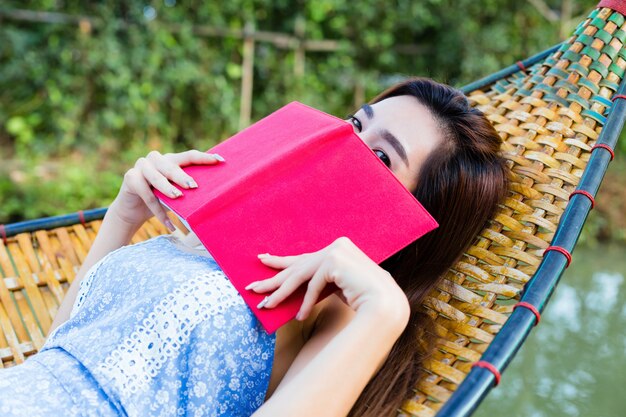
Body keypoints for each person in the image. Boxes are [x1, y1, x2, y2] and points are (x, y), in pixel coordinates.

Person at [0, 77, 508, 417]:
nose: (347, 148)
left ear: (414, 218)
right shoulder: (222, 234)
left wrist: (386, 309)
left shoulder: (342, 309)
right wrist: (124, 214)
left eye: (379, 156)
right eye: (355, 123)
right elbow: (58, 353)